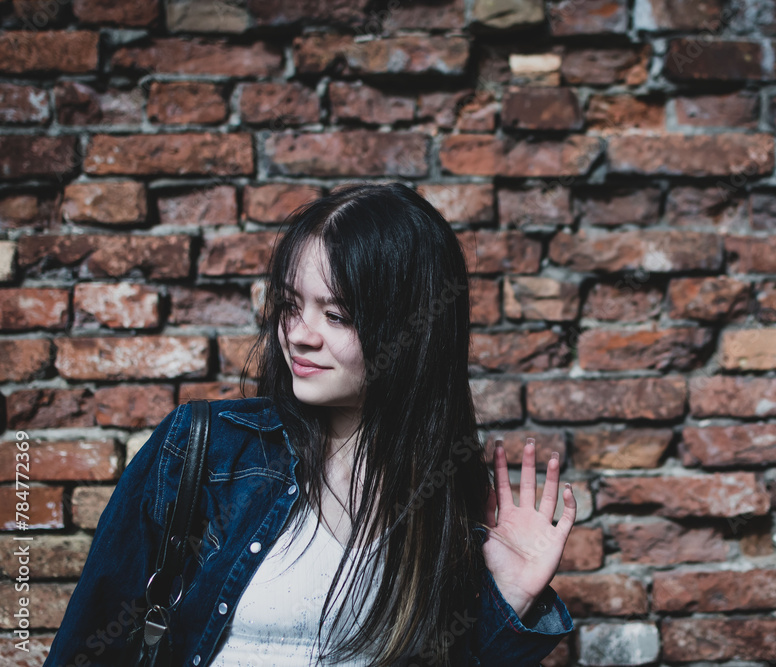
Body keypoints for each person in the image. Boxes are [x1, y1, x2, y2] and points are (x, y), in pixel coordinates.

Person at [43, 182, 577, 667]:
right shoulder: (203, 450)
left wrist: (510, 598)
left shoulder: (443, 491)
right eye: (292, 306)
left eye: (337, 315)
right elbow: (89, 647)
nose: (300, 334)